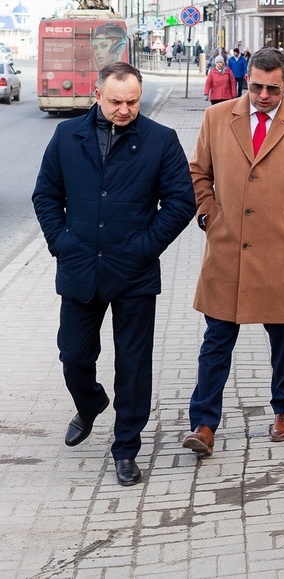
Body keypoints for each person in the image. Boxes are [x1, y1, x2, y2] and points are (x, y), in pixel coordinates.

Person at [31, 62, 196, 486]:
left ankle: (126, 447)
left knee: (134, 365)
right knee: (74, 356)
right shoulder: (68, 136)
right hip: (80, 267)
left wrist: (145, 247)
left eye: (133, 101)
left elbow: (180, 202)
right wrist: (62, 243)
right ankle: (89, 404)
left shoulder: (161, 140)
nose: (125, 110)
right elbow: (46, 195)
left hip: (134, 273)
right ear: (97, 96)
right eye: (116, 101)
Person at [183, 48, 284, 456]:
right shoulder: (217, 118)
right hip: (227, 249)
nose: (262, 95)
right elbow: (198, 173)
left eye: (272, 89)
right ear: (246, 81)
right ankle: (204, 423)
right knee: (217, 339)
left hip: (278, 250)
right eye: (255, 86)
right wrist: (209, 215)